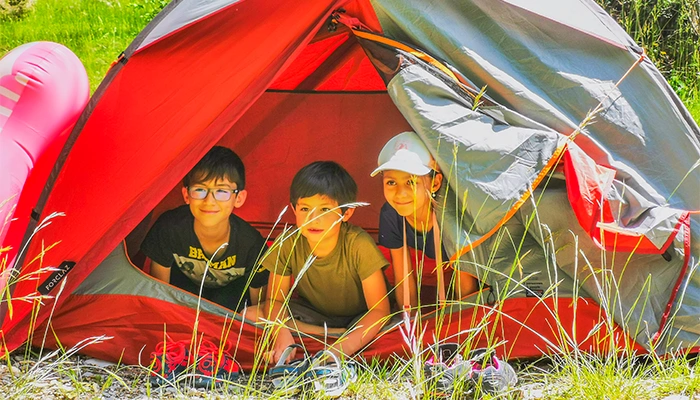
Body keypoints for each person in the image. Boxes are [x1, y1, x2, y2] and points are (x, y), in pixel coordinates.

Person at [255, 161, 390, 364]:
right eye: (305, 209)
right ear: (293, 209)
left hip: (358, 317)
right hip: (315, 316)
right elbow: (275, 301)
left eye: (325, 210)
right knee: (252, 314)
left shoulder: (358, 244)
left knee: (390, 328)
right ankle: (331, 333)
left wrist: (339, 350)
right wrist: (281, 333)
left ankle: (336, 338)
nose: (313, 218)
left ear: (346, 213)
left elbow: (379, 311)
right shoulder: (287, 243)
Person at [140, 146, 268, 311]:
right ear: (186, 195)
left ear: (238, 198)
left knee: (228, 306)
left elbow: (260, 310)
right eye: (200, 190)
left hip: (230, 296)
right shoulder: (169, 228)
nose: (209, 201)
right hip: (184, 292)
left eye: (221, 191)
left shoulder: (251, 244)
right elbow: (160, 295)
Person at [371, 131, 478, 309]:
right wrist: (410, 324)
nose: (400, 193)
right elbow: (403, 278)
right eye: (391, 182)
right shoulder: (391, 214)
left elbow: (465, 281)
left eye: (411, 182)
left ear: (435, 183)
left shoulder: (450, 214)